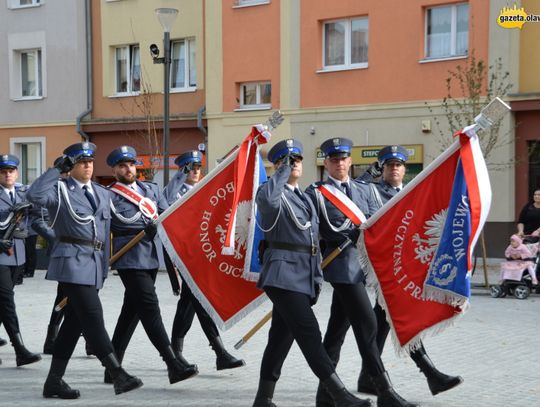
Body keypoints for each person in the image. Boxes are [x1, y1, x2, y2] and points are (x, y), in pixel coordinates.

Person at [252, 139, 372, 407]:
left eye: (297, 159)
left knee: (280, 338)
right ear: (277, 166)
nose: (294, 164)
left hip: (303, 276)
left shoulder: (304, 197)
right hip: (281, 275)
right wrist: (282, 170)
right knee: (309, 333)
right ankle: (339, 394)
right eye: (286, 159)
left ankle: (263, 398)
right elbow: (267, 200)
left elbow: (320, 234)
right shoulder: (270, 193)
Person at [305, 138, 417, 407]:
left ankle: (326, 395)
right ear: (326, 163)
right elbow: (322, 228)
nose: (340, 164)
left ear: (350, 161)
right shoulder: (317, 192)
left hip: (362, 268)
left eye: (344, 159)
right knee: (368, 325)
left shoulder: (363, 189)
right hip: (341, 268)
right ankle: (385, 392)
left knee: (336, 333)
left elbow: (375, 221)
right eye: (334, 160)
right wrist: (347, 233)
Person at [27, 142, 143, 399]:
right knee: (93, 317)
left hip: (93, 264)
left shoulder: (102, 193)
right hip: (70, 261)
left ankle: (54, 381)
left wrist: (103, 269)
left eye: (90, 161)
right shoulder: (59, 190)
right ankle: (117, 374)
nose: (88, 166)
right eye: (81, 162)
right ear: (71, 165)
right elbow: (34, 197)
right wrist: (56, 170)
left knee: (74, 323)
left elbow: (104, 232)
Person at [355, 145, 463, 396]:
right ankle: (431, 374)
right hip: (384, 270)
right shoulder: (372, 192)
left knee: (382, 323)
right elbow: (355, 191)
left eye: (399, 165)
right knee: (396, 317)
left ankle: (368, 376)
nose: (394, 169)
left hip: (404, 268)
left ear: (405, 169)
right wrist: (369, 172)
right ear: (382, 168)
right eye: (389, 165)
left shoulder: (411, 193)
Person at [104, 145, 198, 386]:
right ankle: (172, 363)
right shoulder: (109, 195)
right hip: (130, 258)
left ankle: (112, 366)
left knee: (132, 311)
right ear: (114, 170)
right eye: (122, 166)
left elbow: (168, 209)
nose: (128, 169)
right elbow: (106, 228)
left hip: (151, 257)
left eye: (131, 164)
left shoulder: (150, 189)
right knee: (149, 307)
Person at [163, 150, 244, 371]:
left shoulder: (205, 190)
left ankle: (174, 352)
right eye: (191, 168)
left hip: (203, 256)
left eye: (198, 167)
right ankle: (219, 352)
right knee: (199, 302)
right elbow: (166, 204)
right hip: (186, 255)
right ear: (182, 170)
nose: (196, 171)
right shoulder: (176, 193)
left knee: (189, 303)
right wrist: (180, 177)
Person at [0, 154, 41, 367]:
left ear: (17, 173)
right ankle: (19, 349)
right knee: (7, 302)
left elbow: (36, 212)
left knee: (3, 302)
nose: (8, 174)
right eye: (3, 171)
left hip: (18, 255)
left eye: (11, 171)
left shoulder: (23, 193)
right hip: (0, 257)